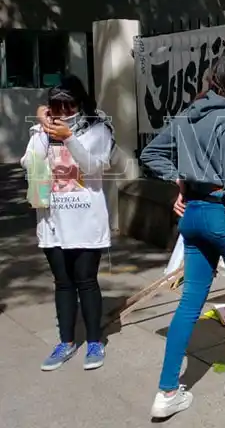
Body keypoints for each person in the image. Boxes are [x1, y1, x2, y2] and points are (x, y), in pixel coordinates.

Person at [141, 52, 225, 419]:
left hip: (194, 217)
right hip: (222, 217)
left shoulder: (190, 114)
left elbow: (151, 154)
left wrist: (181, 182)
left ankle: (167, 390)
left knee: (190, 302)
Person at [20, 75, 115, 371]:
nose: (62, 112)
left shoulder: (98, 130)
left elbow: (94, 166)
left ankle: (96, 341)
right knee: (62, 283)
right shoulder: (41, 131)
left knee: (86, 281)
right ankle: (66, 342)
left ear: (80, 103)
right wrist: (44, 131)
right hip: (52, 220)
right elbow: (29, 163)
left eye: (68, 104)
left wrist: (69, 138)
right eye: (56, 106)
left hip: (86, 220)